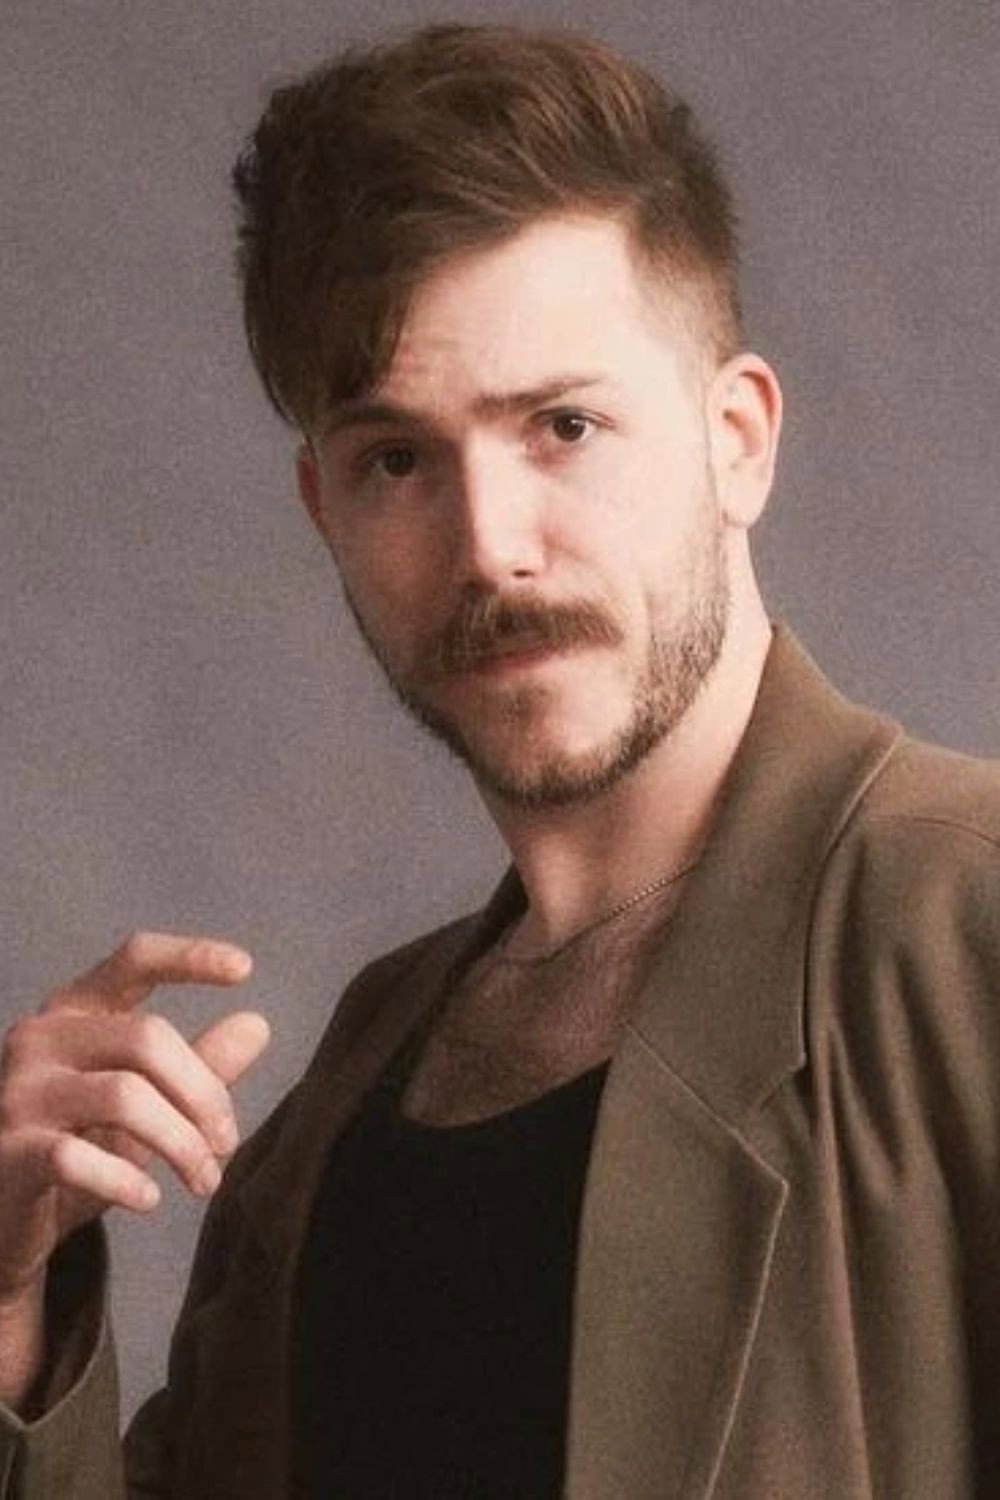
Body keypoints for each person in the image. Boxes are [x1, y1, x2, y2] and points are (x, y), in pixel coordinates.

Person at [2, 20, 1000, 1499]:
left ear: (738, 439)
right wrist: (9, 1309)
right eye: (398, 460)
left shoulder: (964, 931)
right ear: (325, 508)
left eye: (565, 426)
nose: (489, 546)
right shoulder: (342, 1102)